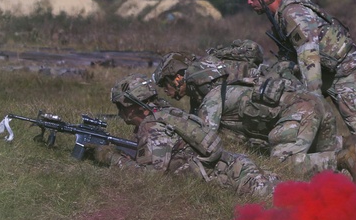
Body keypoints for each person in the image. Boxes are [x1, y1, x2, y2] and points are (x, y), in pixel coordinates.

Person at [240, 0, 356, 156]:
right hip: (325, 71)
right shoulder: (279, 17)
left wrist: (314, 95)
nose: (249, 1)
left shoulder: (293, 14)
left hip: (345, 70)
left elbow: (308, 54)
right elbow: (291, 57)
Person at [162, 56, 356, 181]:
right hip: (318, 105)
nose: (167, 90)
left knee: (284, 164)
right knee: (326, 174)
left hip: (300, 111)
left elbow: (204, 138)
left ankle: (340, 158)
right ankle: (354, 160)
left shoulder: (212, 99)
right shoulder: (238, 85)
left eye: (166, 84)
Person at [98, 73, 278, 197]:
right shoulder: (166, 113)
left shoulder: (152, 127)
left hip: (239, 180)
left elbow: (149, 178)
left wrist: (110, 157)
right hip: (238, 166)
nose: (120, 112)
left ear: (132, 106)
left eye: (120, 107)